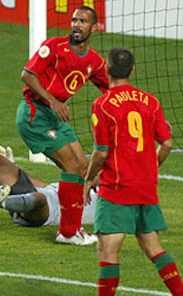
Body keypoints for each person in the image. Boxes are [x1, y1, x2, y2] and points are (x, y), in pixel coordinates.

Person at [83, 48, 183, 295]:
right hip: (146, 186)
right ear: (132, 70)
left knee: (108, 250)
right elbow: (167, 143)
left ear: (105, 69)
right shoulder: (151, 101)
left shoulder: (103, 104)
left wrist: (87, 179)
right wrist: (150, 166)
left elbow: (102, 152)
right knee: (153, 246)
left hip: (117, 188)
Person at [15, 6, 109, 245]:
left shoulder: (94, 61)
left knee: (81, 167)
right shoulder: (54, 47)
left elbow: (111, 87)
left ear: (94, 28)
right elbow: (27, 74)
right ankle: (68, 232)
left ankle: (72, 228)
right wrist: (53, 101)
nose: (77, 25)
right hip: (35, 114)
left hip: (55, 117)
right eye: (74, 20)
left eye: (83, 21)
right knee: (71, 166)